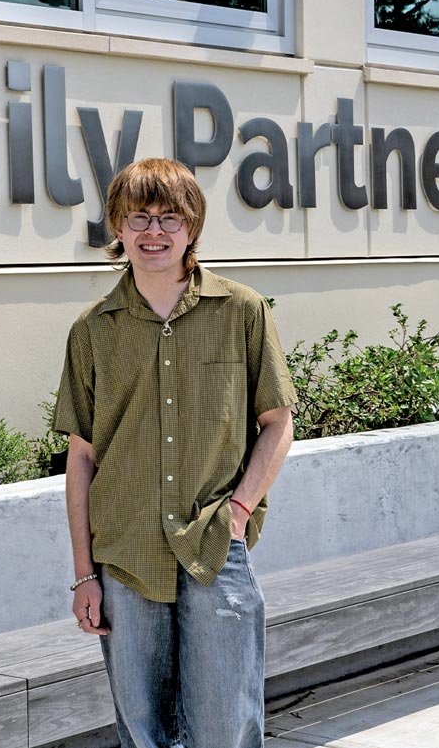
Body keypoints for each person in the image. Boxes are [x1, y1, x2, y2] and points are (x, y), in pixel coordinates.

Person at [54, 157, 296, 748]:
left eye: (169, 217)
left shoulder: (241, 311)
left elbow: (278, 422)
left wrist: (238, 513)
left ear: (193, 226)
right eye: (137, 217)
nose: (153, 231)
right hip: (125, 553)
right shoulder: (93, 330)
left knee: (224, 725)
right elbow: (81, 458)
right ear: (117, 226)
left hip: (215, 542)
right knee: (142, 728)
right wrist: (84, 574)